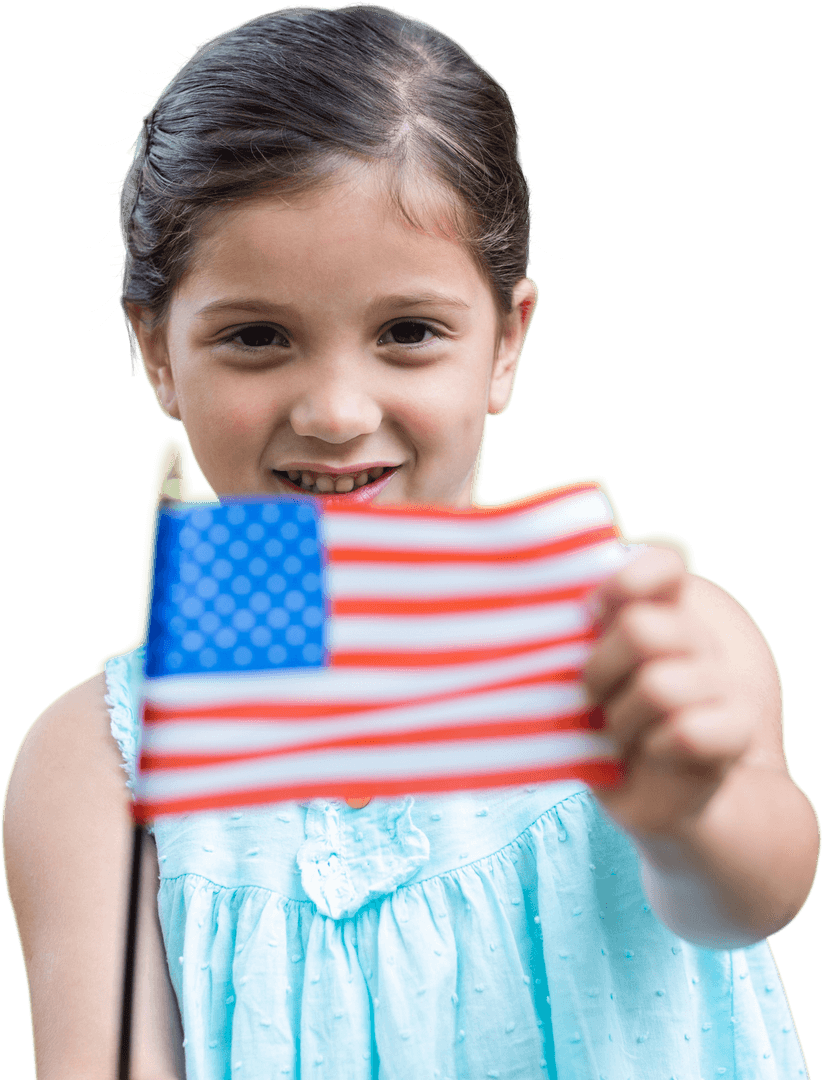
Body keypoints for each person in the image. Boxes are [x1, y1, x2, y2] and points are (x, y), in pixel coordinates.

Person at [3, 5, 818, 1079]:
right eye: (256, 337)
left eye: (407, 334)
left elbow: (752, 896)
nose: (337, 410)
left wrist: (688, 813)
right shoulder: (98, 764)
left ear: (504, 342)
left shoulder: (652, 643)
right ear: (157, 351)